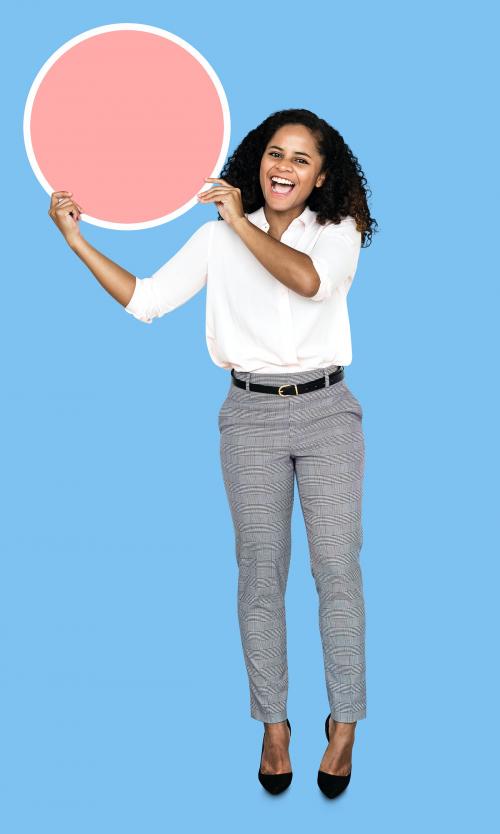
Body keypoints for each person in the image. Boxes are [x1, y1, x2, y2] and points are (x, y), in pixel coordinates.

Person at [48, 107, 378, 798]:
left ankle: (344, 723)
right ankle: (275, 724)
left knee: (336, 570)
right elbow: (145, 301)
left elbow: (309, 283)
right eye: (274, 153)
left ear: (320, 178)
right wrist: (78, 243)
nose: (283, 166)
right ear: (258, 161)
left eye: (300, 159)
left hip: (326, 413)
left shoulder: (337, 233)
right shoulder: (216, 239)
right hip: (249, 416)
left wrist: (237, 223)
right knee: (260, 576)